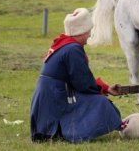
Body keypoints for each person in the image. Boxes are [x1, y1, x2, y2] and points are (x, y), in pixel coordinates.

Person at [30, 8, 123, 143]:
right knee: (101, 103)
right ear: (81, 31)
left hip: (50, 96)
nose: (90, 35)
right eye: (88, 31)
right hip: (55, 97)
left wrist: (105, 88)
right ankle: (67, 132)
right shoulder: (73, 49)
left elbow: (79, 78)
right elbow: (83, 83)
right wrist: (101, 93)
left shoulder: (65, 45)